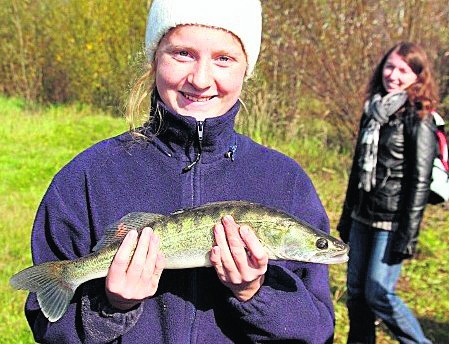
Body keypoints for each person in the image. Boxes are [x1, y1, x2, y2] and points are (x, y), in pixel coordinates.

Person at [25, 0, 335, 342]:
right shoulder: (86, 177)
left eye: (224, 58)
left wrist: (255, 294)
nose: (201, 79)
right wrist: (112, 306)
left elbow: (317, 332)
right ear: (154, 59)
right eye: (182, 53)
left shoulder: (287, 183)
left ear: (247, 68)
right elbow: (49, 330)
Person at [337, 42, 439, 344]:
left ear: (418, 77)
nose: (393, 75)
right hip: (361, 216)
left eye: (403, 70)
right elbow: (358, 170)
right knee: (356, 293)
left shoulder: (419, 117)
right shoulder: (373, 110)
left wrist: (408, 234)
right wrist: (346, 217)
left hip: (391, 221)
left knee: (378, 292)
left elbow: (419, 181)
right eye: (390, 66)